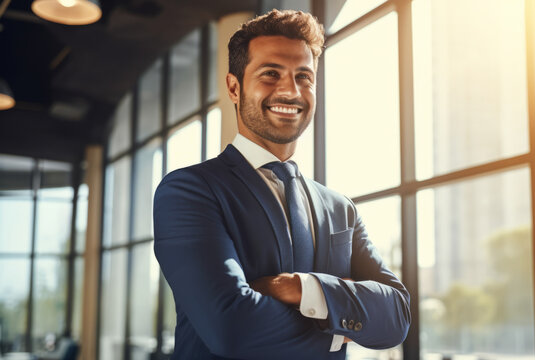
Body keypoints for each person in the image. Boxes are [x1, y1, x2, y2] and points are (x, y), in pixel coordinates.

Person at [153, 9, 410, 360]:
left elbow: (397, 316)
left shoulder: (340, 209)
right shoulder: (189, 191)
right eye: (271, 73)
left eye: (303, 76)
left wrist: (302, 288)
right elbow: (232, 328)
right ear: (234, 87)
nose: (290, 90)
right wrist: (340, 329)